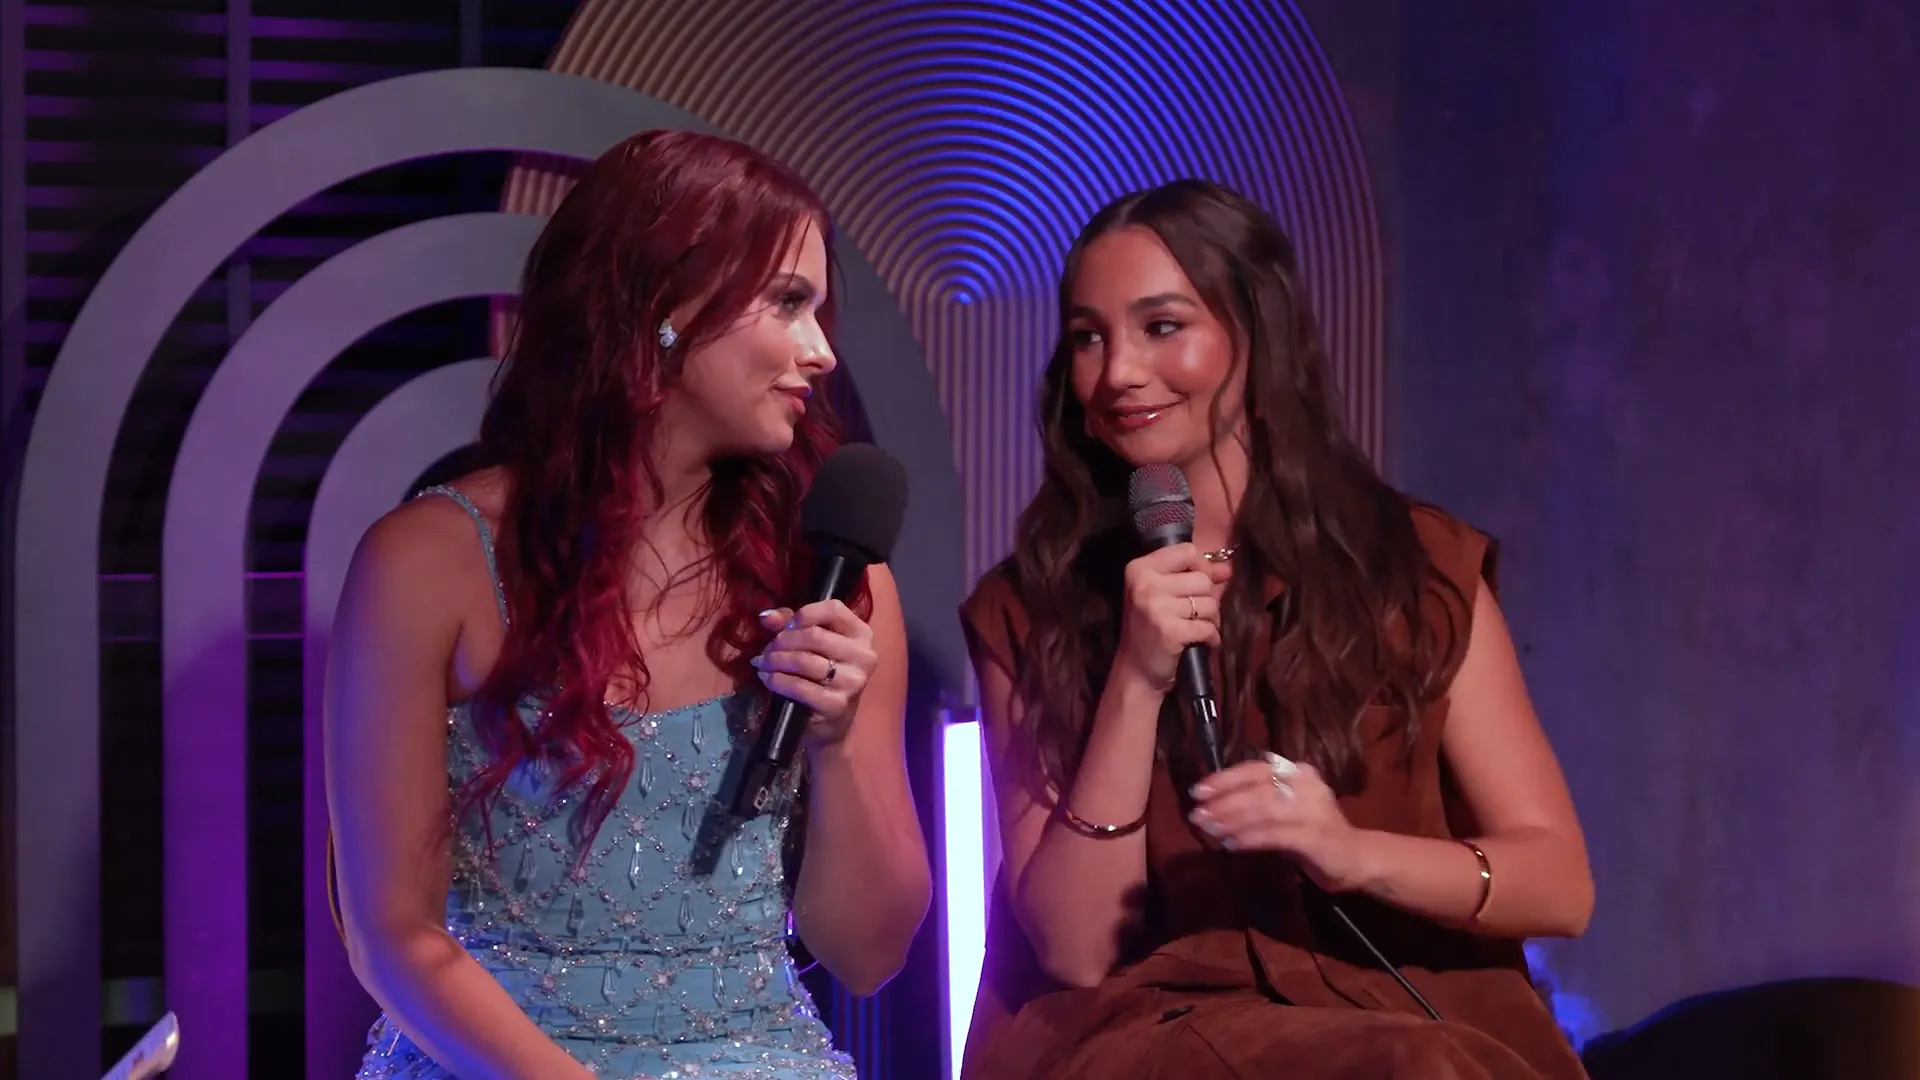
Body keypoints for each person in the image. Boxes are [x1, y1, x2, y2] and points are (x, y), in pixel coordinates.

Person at [324, 130, 931, 1080]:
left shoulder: (833, 578)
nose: (820, 352)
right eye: (787, 303)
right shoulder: (428, 559)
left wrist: (841, 742)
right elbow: (392, 933)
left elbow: (869, 953)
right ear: (661, 307)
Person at [958, 179, 1594, 1079]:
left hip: (1416, 1011)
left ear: (1255, 334)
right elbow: (1073, 946)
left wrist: (1353, 853)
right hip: (1150, 1028)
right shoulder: (1033, 604)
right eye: (1089, 338)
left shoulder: (1412, 568)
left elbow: (1558, 884)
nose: (1119, 372)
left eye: (1162, 326)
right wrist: (1136, 681)